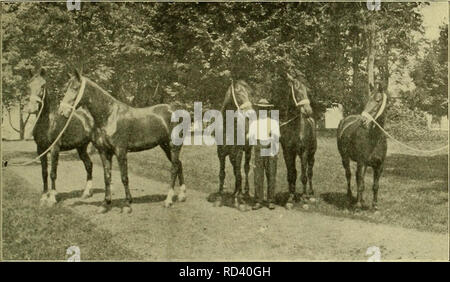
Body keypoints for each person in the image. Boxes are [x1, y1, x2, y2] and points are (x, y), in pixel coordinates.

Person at [248, 98, 280, 210]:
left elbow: (277, 136)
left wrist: (272, 136)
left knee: (271, 175)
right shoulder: (254, 123)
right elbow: (250, 137)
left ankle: (271, 200)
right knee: (258, 176)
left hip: (271, 150)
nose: (263, 111)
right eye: (261, 109)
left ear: (268, 110)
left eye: (265, 109)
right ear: (258, 110)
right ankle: (258, 201)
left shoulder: (273, 123)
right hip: (258, 149)